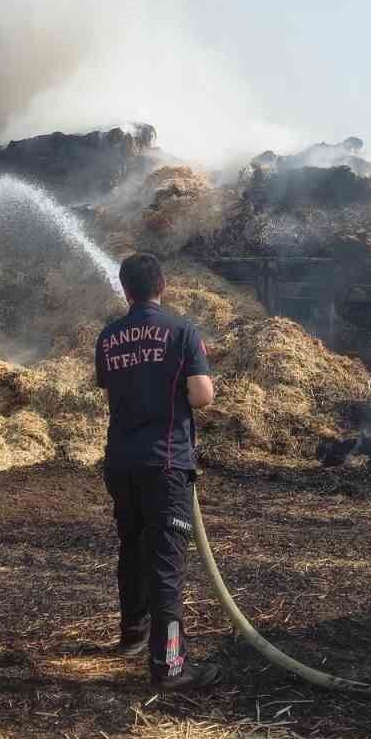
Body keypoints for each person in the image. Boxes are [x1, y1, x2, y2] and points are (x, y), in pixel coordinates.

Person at [95, 252, 220, 690]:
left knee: (132, 548)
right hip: (166, 462)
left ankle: (133, 635)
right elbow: (202, 396)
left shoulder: (109, 337)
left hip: (121, 462)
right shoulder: (182, 331)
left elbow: (113, 391)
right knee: (166, 563)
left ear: (125, 289)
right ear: (162, 285)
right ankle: (170, 666)